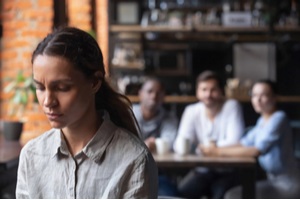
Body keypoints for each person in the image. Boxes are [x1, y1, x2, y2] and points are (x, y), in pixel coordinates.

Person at [15, 27, 158, 199]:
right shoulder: (32, 155)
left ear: (94, 83)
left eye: (62, 88)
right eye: (40, 87)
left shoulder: (134, 159)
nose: (48, 101)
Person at [200, 79, 300, 198]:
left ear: (274, 98)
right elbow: (244, 143)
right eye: (254, 95)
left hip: (288, 185)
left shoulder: (279, 118)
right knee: (231, 193)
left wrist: (217, 152)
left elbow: (257, 150)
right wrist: (215, 148)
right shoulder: (262, 121)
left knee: (233, 196)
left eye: (263, 95)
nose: (257, 100)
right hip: (273, 181)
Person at [174, 70, 245, 199]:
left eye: (213, 90)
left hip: (227, 171)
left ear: (221, 91)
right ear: (197, 92)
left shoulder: (232, 106)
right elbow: (180, 142)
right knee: (179, 195)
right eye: (204, 89)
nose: (208, 94)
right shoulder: (191, 111)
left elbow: (236, 141)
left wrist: (203, 148)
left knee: (220, 196)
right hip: (202, 170)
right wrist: (199, 147)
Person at [132, 76, 179, 197]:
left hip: (160, 173)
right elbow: (124, 142)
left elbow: (170, 143)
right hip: (131, 171)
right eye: (149, 92)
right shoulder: (128, 114)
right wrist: (145, 145)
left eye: (158, 93)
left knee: (170, 195)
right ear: (140, 94)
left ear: (164, 97)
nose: (154, 96)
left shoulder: (169, 118)